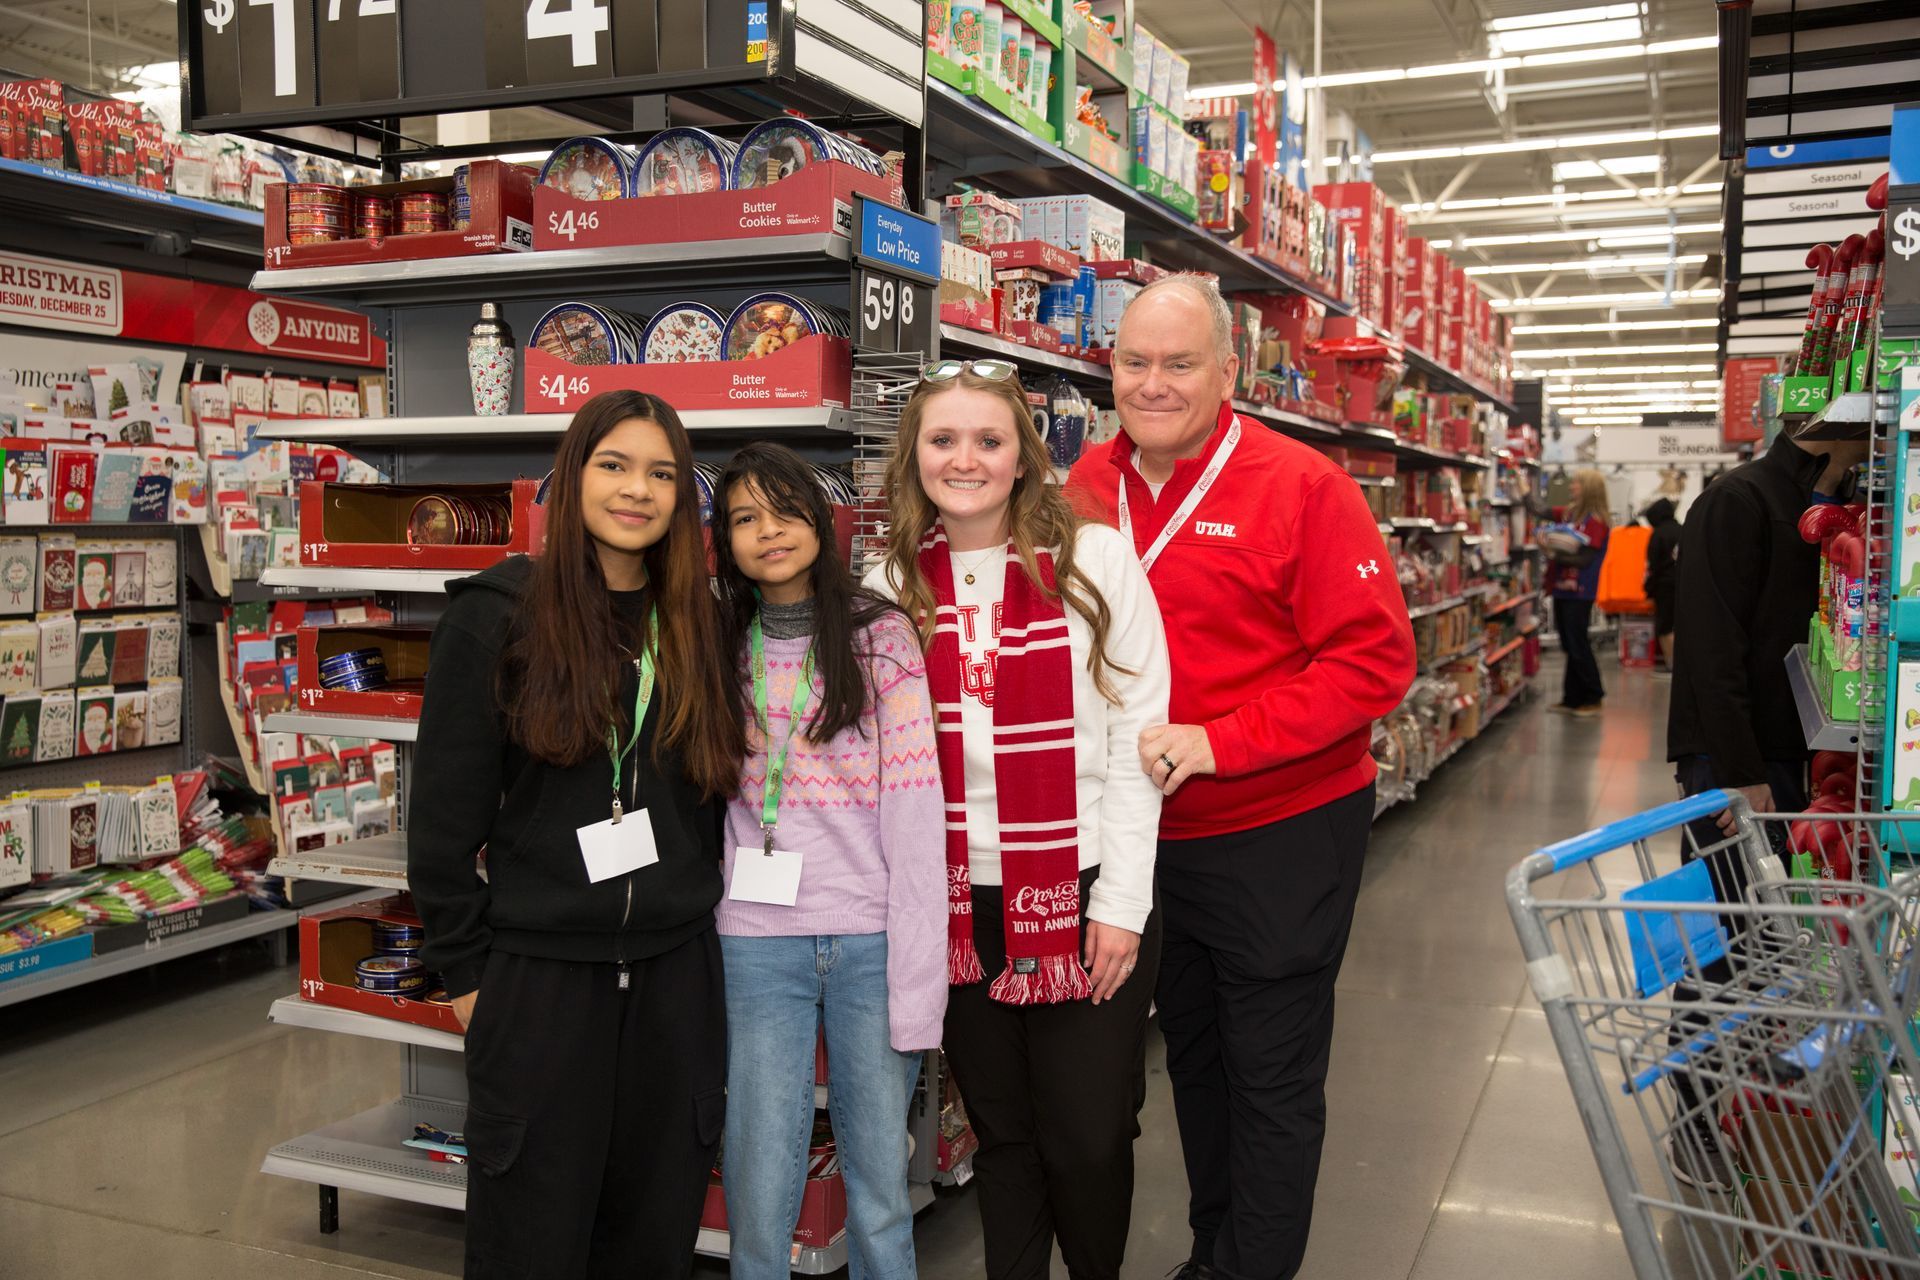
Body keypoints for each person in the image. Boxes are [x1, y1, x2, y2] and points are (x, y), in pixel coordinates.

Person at [1065, 275, 1417, 1280]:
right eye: (1135, 362)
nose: (1154, 383)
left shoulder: (1303, 484)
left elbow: (1374, 661)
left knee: (1270, 1073)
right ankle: (1213, 1252)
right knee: (1197, 1062)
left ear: (1229, 370)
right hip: (1140, 843)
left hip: (1279, 828)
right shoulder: (1084, 483)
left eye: (1180, 364)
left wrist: (1224, 738)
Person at [407, 390, 745, 1276]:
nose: (638, 490)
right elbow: (442, 818)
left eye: (662, 473)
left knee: (654, 1232)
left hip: (675, 982)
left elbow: (708, 802)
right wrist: (472, 974)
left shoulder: (701, 622)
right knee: (531, 1239)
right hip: (541, 984)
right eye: (615, 465)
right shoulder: (495, 616)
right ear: (572, 475)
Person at [865, 357, 1170, 1280]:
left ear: (1024, 456)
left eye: (989, 440)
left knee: (1086, 1135)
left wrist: (1120, 902)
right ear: (914, 456)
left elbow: (1135, 741)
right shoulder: (886, 583)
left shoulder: (1095, 560)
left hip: (1079, 894)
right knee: (1001, 1134)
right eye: (944, 439)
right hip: (956, 904)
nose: (967, 459)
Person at [709, 442, 945, 1280]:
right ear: (724, 541)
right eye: (744, 518)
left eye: (783, 509)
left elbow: (917, 819)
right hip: (755, 940)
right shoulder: (716, 645)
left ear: (820, 516)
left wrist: (920, 981)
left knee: (880, 1179)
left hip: (870, 942)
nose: (768, 532)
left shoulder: (881, 638)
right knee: (759, 1171)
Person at [1659, 427, 1864, 1193]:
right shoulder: (1738, 500)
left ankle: (1750, 1106)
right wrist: (1741, 777)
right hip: (1737, 767)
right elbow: (1711, 652)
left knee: (1767, 955)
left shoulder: (1830, 505)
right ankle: (1694, 1121)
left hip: (1799, 760)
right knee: (1720, 951)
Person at [1542, 469, 1611, 716]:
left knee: (1577, 644)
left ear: (1589, 488)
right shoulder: (1572, 514)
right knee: (1569, 644)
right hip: (1562, 589)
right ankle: (1572, 698)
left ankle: (1593, 695)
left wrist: (1554, 552)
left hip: (1581, 591)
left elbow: (1584, 560)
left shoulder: (1596, 521)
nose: (1572, 487)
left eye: (1577, 484)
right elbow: (1541, 510)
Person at [1642, 496, 1681, 672]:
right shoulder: (1683, 529)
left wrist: (1648, 586)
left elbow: (1652, 564)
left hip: (1664, 586)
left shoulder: (1658, 534)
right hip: (1685, 583)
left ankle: (1672, 664)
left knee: (1665, 626)